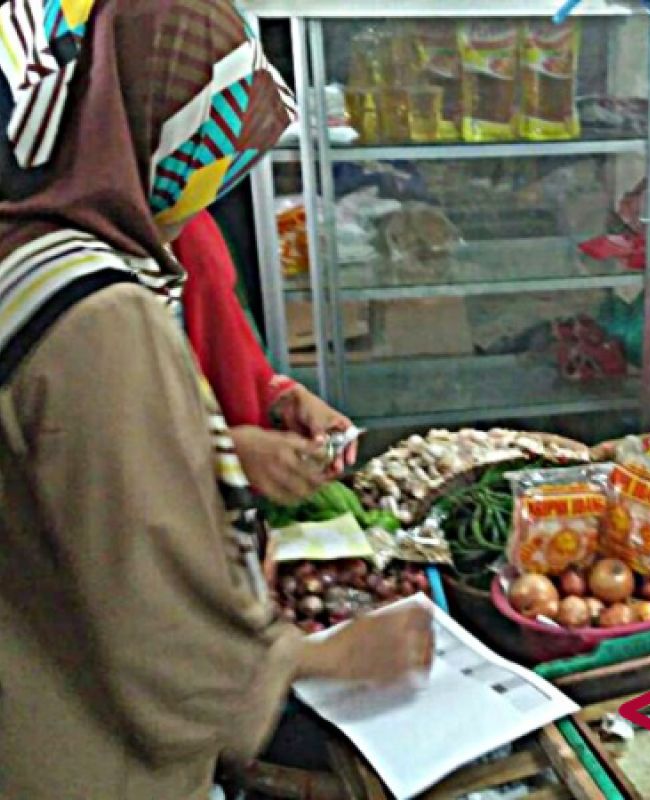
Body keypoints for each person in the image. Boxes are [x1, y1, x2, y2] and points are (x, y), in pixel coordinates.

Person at [0, 2, 431, 799]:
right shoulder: (95, 309)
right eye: (207, 139)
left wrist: (242, 421)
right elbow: (167, 638)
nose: (211, 173)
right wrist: (331, 656)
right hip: (84, 756)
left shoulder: (26, 250)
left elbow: (63, 473)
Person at [174, 210, 357, 504]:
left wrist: (282, 400)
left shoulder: (190, 225)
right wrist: (224, 452)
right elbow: (95, 448)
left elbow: (221, 333)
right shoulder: (93, 264)